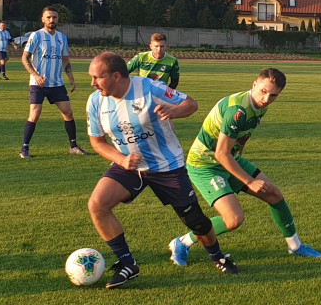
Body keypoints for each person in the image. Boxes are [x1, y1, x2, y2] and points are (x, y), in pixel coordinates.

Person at [85, 53, 235, 289]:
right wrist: (121, 160)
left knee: (195, 221)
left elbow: (191, 104)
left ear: (116, 76)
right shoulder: (96, 100)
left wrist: (174, 111)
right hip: (129, 166)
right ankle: (128, 264)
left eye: (97, 77)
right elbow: (97, 141)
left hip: (167, 166)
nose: (93, 83)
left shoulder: (149, 88)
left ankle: (218, 256)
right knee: (97, 205)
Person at [170, 68, 321, 265]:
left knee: (274, 195)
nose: (267, 98)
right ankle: (182, 242)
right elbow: (220, 153)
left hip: (228, 158)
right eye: (263, 91)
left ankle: (295, 246)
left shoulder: (260, 106)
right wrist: (249, 181)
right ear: (254, 85)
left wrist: (240, 172)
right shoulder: (238, 111)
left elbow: (238, 142)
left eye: (273, 95)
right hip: (205, 164)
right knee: (233, 220)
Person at [19, 6, 88, 159]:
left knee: (68, 113)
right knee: (35, 114)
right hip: (39, 84)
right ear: (43, 19)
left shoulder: (62, 38)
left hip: (57, 84)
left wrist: (71, 78)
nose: (52, 20)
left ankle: (73, 146)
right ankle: (24, 149)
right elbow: (24, 58)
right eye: (48, 17)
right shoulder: (36, 36)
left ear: (58, 19)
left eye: (54, 17)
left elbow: (65, 59)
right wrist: (36, 76)